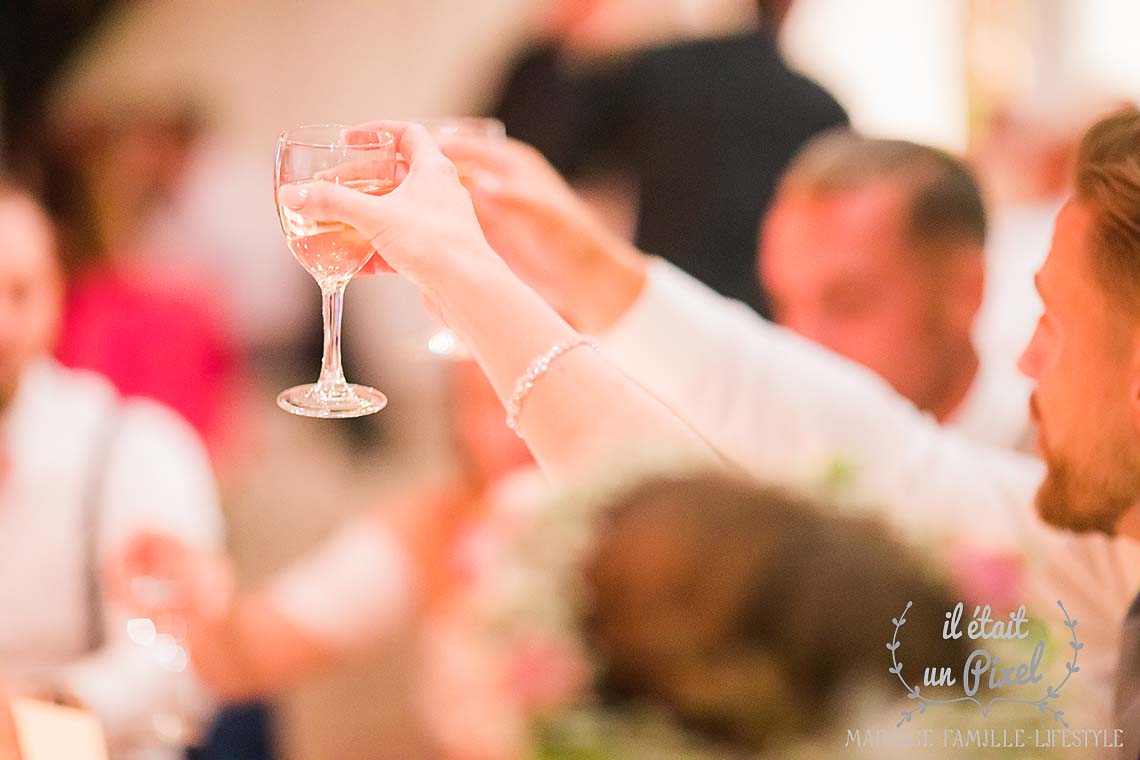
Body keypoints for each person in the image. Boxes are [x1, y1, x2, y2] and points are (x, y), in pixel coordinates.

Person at [0, 182, 224, 758]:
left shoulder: (136, 445)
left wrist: (31, 722)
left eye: (20, 293)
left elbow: (173, 669)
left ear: (58, 290)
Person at [495, 0, 848, 314]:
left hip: (663, 304)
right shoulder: (820, 107)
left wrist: (560, 40)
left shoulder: (654, 74)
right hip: (762, 320)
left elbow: (547, 149)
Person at [761, 130, 1033, 451]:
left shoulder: (1050, 471)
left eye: (848, 304)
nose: (802, 345)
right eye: (781, 306)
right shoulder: (781, 455)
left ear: (966, 294)